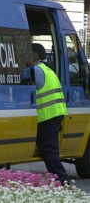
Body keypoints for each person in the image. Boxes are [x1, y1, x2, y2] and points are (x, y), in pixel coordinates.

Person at [31, 52, 70, 186]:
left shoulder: (35, 71)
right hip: (57, 112)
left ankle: (62, 179)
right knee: (50, 147)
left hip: (48, 114)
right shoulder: (47, 69)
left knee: (48, 149)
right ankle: (57, 178)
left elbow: (21, 77)